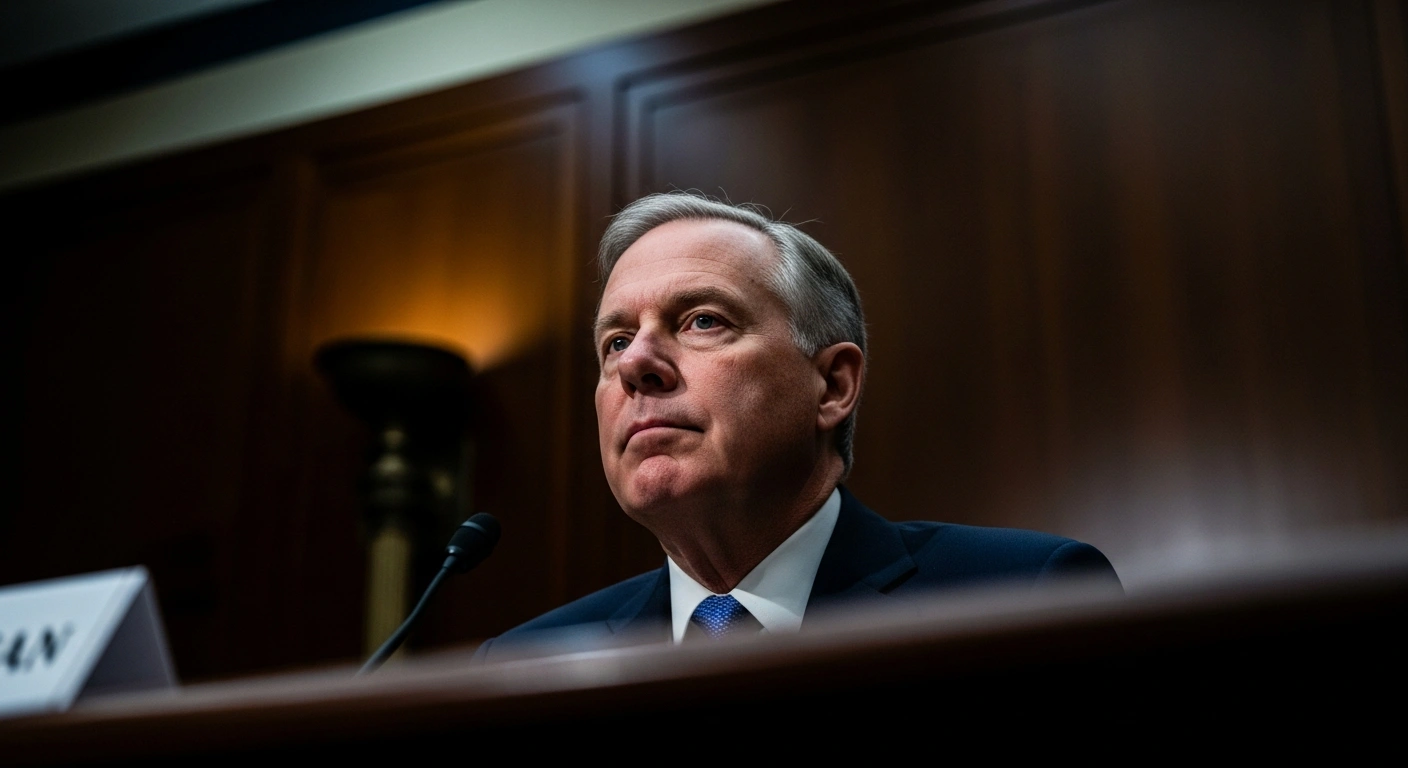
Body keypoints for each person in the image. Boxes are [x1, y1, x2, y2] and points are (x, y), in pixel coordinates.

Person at [474, 192, 1118, 660]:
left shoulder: (1021, 596)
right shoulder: (529, 662)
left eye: (702, 320)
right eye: (615, 342)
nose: (636, 363)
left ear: (832, 385)